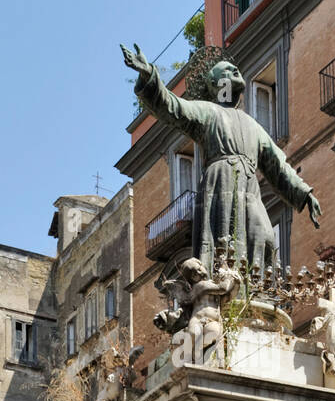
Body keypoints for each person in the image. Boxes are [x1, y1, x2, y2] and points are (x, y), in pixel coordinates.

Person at [121, 43, 321, 273]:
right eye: (227, 70)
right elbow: (172, 107)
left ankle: (258, 292)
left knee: (265, 237)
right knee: (223, 243)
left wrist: (304, 193)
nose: (235, 71)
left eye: (235, 68)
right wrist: (149, 75)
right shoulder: (207, 111)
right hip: (221, 182)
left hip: (249, 187)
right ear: (216, 85)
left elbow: (278, 166)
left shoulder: (253, 125)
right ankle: (223, 289)